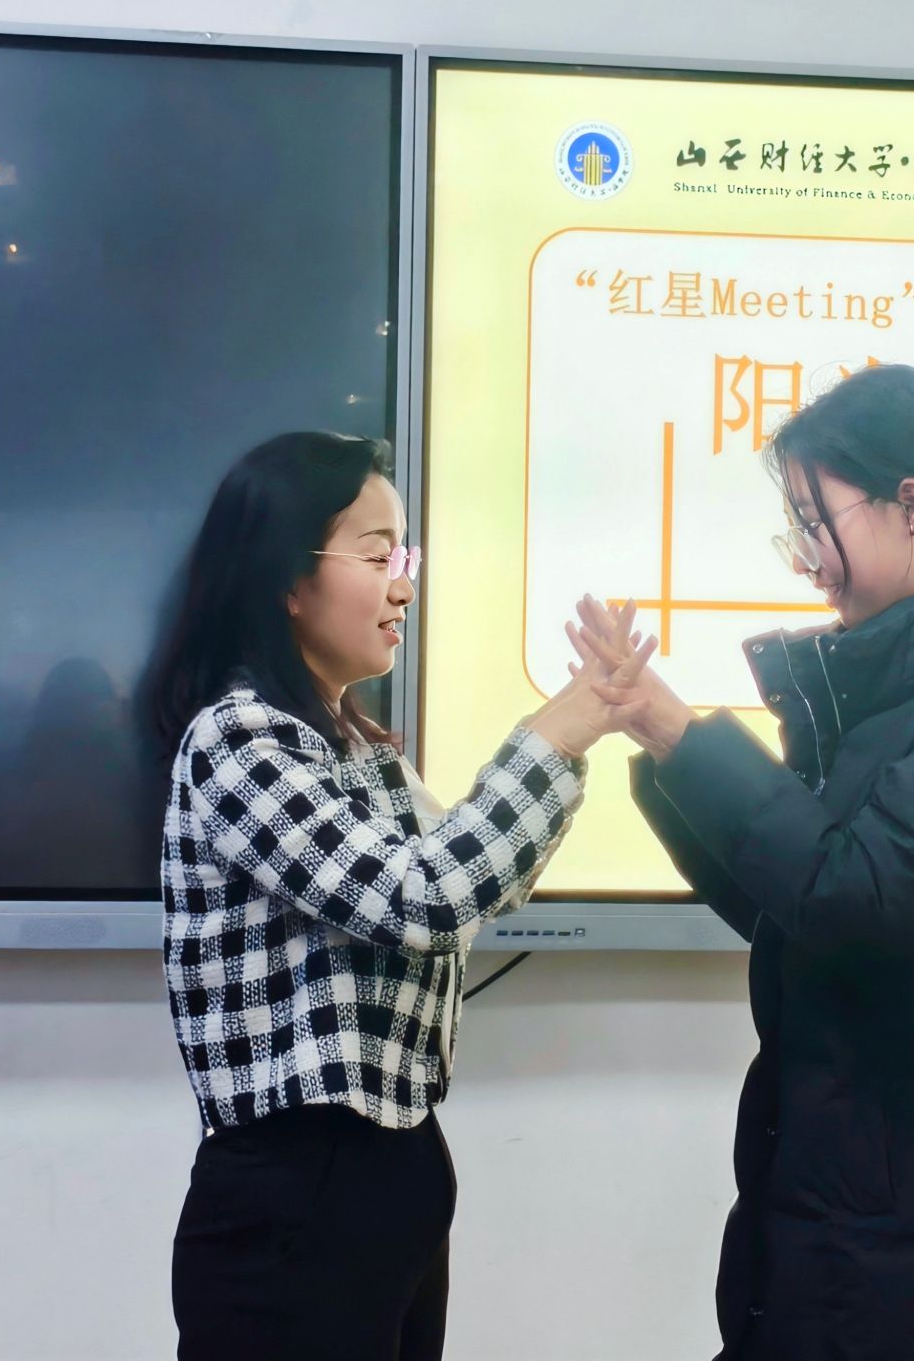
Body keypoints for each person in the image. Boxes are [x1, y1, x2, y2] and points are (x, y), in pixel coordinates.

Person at [575, 364, 914, 1361]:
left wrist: (681, 735)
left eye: (816, 522)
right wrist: (670, 760)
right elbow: (798, 908)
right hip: (888, 1212)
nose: (807, 561)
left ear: (911, 505)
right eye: (793, 528)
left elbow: (860, 895)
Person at [145, 430, 610, 1361]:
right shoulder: (238, 739)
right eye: (377, 556)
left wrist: (572, 738)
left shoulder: (354, 747)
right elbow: (423, 899)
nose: (404, 587)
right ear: (287, 578)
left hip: (389, 1173)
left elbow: (481, 884)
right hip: (296, 1192)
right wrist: (557, 731)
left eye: (408, 558)